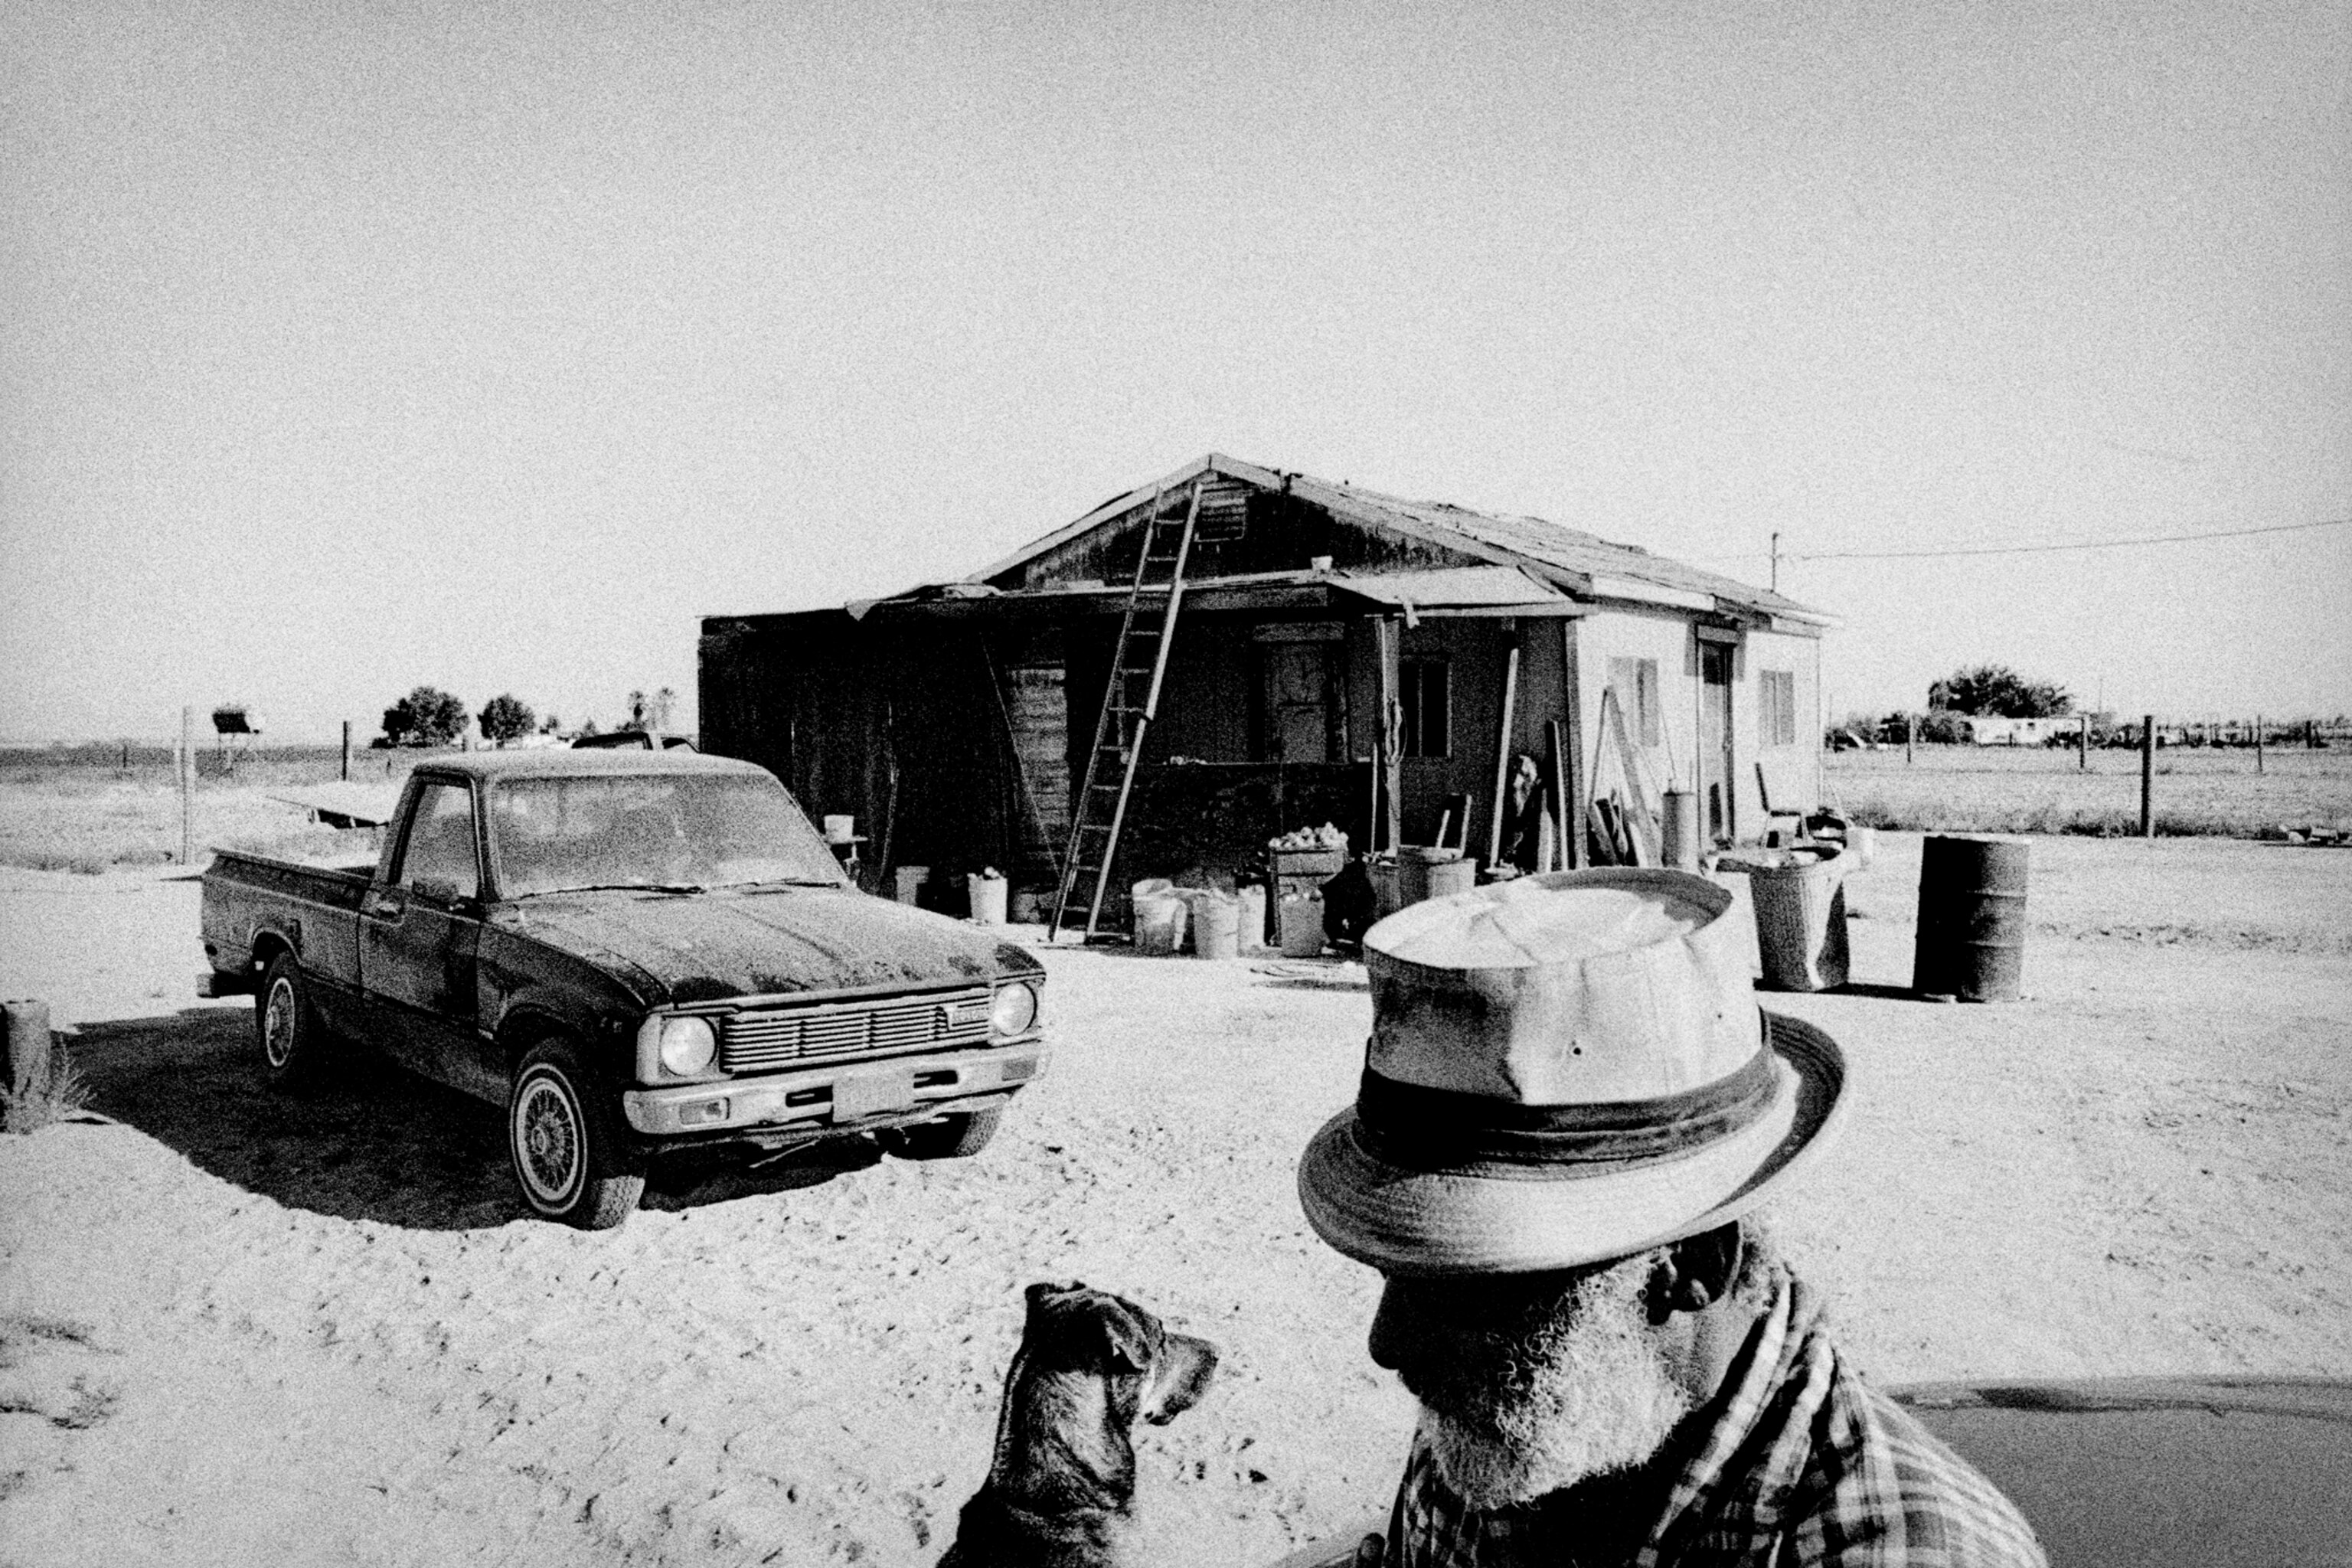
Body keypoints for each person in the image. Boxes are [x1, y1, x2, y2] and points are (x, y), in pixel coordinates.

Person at [1297, 870, 2046, 1568]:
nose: (1386, 1344)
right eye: (1402, 1272)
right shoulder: (1508, 1427)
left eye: (1466, 1289)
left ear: (1693, 1266)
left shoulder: (1902, 1550)